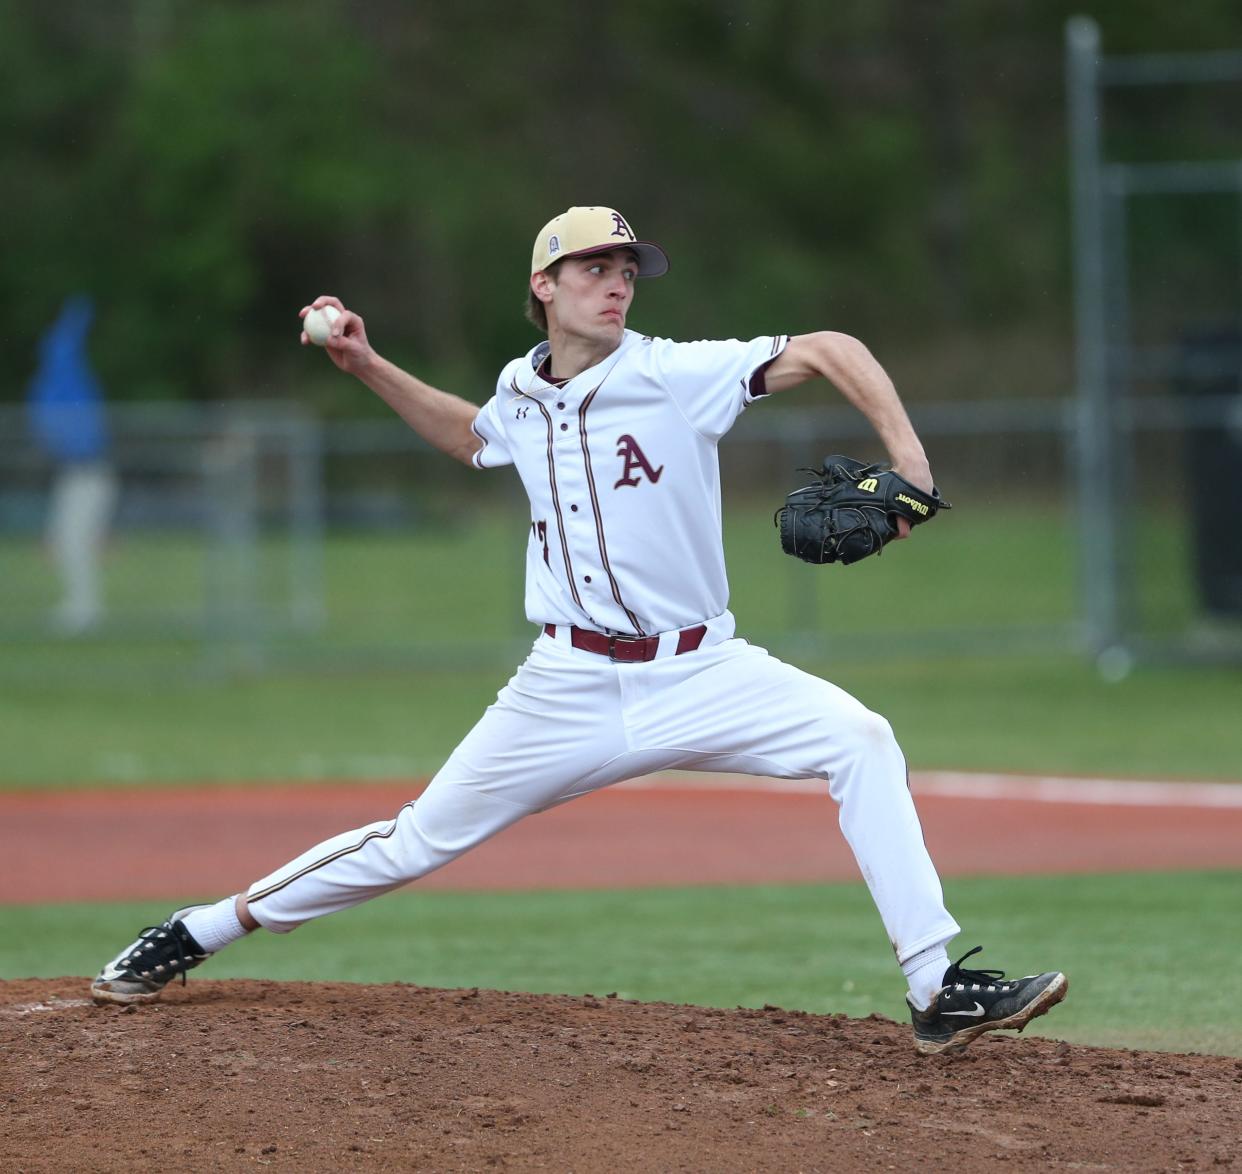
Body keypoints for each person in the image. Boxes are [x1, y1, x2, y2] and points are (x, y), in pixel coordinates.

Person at [91, 206, 1067, 1054]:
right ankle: (197, 929)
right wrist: (364, 361)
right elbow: (472, 436)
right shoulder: (522, 393)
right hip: (563, 686)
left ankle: (936, 986)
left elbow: (830, 349)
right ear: (543, 286)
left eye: (627, 269)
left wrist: (914, 466)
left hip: (704, 669)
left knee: (861, 739)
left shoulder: (680, 374)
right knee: (415, 840)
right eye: (594, 268)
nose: (617, 284)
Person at [27, 295, 119, 635]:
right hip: (74, 475)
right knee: (64, 541)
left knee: (74, 541)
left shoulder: (69, 379)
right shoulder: (55, 385)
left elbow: (65, 342)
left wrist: (78, 312)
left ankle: (85, 609)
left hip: (90, 474)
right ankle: (79, 605)